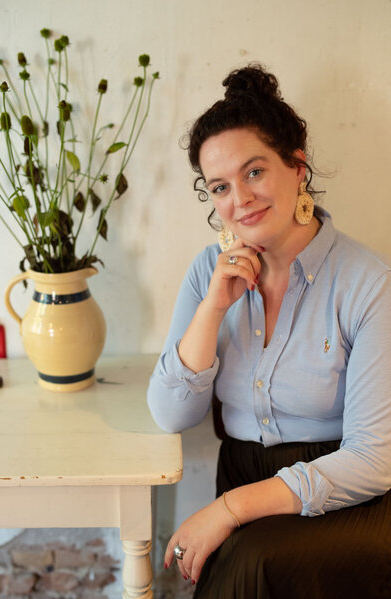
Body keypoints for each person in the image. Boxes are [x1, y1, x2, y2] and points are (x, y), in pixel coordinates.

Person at [147, 64, 391, 599]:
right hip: (241, 478)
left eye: (254, 171)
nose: (240, 199)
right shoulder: (205, 274)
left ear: (297, 166)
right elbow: (172, 413)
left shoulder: (368, 283)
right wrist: (213, 307)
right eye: (220, 187)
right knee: (242, 564)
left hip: (348, 499)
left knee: (248, 567)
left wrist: (230, 509)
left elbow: (373, 460)